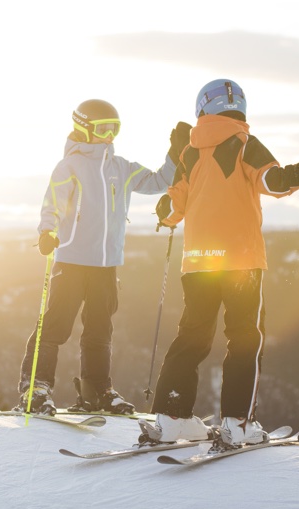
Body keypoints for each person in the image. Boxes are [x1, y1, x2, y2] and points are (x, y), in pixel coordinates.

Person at [139, 79, 299, 448]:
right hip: (240, 262)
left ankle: (171, 418)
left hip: (197, 264)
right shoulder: (243, 143)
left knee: (191, 338)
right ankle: (238, 425)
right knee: (244, 340)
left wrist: (167, 202)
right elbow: (276, 182)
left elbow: (173, 209)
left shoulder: (190, 154)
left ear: (202, 109)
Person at [14, 99, 191, 416]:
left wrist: (175, 153)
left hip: (106, 265)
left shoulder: (121, 167)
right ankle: (36, 389)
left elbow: (158, 182)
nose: (109, 135)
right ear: (83, 128)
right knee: (55, 328)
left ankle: (98, 391)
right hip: (71, 260)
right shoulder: (69, 167)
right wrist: (47, 232)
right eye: (103, 129)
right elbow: (52, 204)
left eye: (115, 129)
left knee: (99, 332)